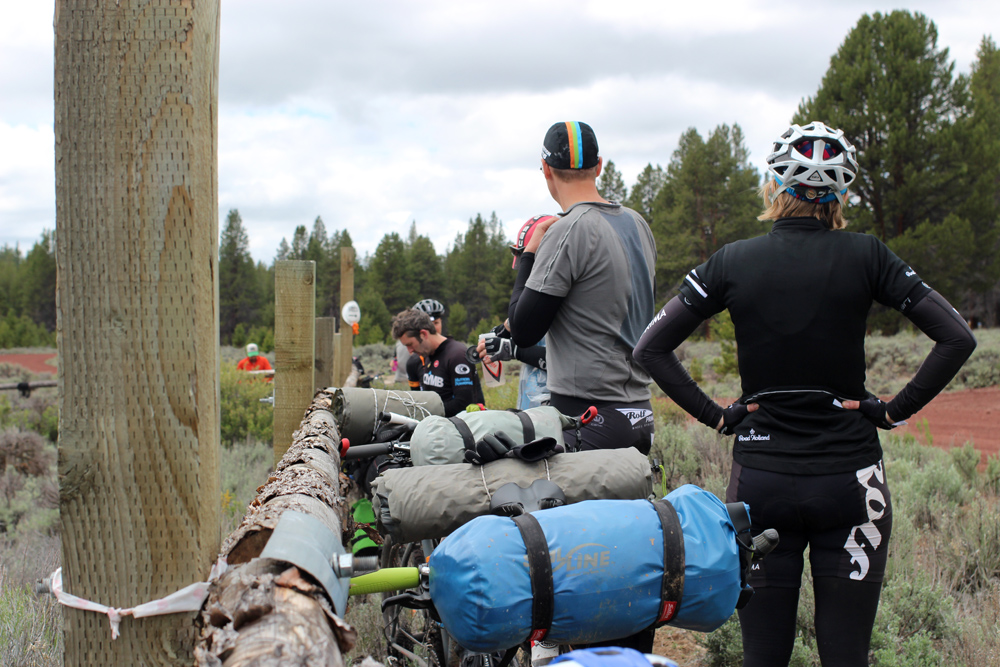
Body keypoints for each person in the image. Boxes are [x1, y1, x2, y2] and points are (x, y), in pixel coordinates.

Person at [632, 121, 977, 666]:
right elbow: (957, 336)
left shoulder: (733, 260)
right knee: (847, 656)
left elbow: (650, 348)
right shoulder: (868, 255)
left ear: (775, 185)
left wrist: (717, 416)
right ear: (840, 195)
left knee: (763, 656)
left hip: (761, 480)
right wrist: (891, 411)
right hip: (852, 481)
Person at [507, 121, 657, 454]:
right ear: (599, 165)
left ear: (546, 169)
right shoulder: (637, 223)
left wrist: (529, 254)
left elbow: (524, 329)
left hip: (588, 418)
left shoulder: (568, 229)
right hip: (640, 412)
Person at [478, 215, 556, 409]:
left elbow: (564, 362)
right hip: (533, 407)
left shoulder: (568, 299)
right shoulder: (540, 295)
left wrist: (513, 349)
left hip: (558, 411)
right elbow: (520, 323)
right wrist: (502, 333)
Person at [392, 308, 484, 417]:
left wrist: (424, 413)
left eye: (410, 344)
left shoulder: (457, 355)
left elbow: (463, 404)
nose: (410, 351)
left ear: (423, 334)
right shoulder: (427, 354)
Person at [404, 298, 446, 390]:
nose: (432, 329)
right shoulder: (413, 362)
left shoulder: (455, 353)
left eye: (436, 323)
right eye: (428, 325)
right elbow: (415, 396)